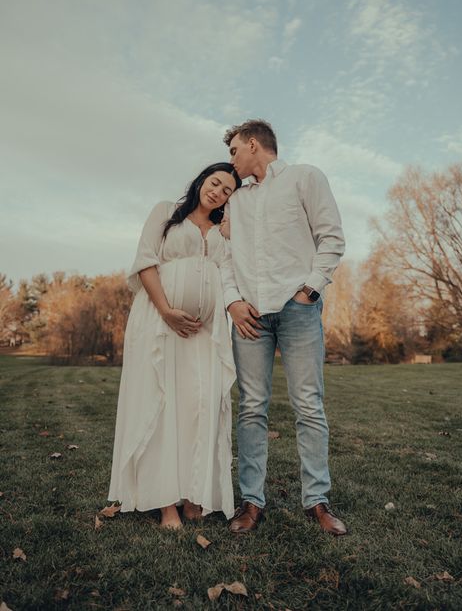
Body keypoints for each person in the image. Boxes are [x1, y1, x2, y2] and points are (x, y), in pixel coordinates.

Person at [220, 119, 347, 535]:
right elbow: (226, 256)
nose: (232, 159)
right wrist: (233, 301)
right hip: (250, 316)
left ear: (253, 144)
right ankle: (251, 503)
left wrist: (310, 290)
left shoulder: (305, 178)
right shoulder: (234, 201)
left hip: (298, 310)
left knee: (308, 405)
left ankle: (317, 501)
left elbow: (331, 238)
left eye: (235, 150)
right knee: (251, 407)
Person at [108, 163, 241, 529]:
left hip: (206, 332)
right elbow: (145, 261)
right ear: (201, 181)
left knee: (199, 405)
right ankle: (166, 502)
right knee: (163, 404)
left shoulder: (223, 231)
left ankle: (193, 493)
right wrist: (167, 310)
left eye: (228, 190)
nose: (218, 192)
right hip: (160, 323)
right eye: (215, 183)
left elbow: (230, 273)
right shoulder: (166, 212)